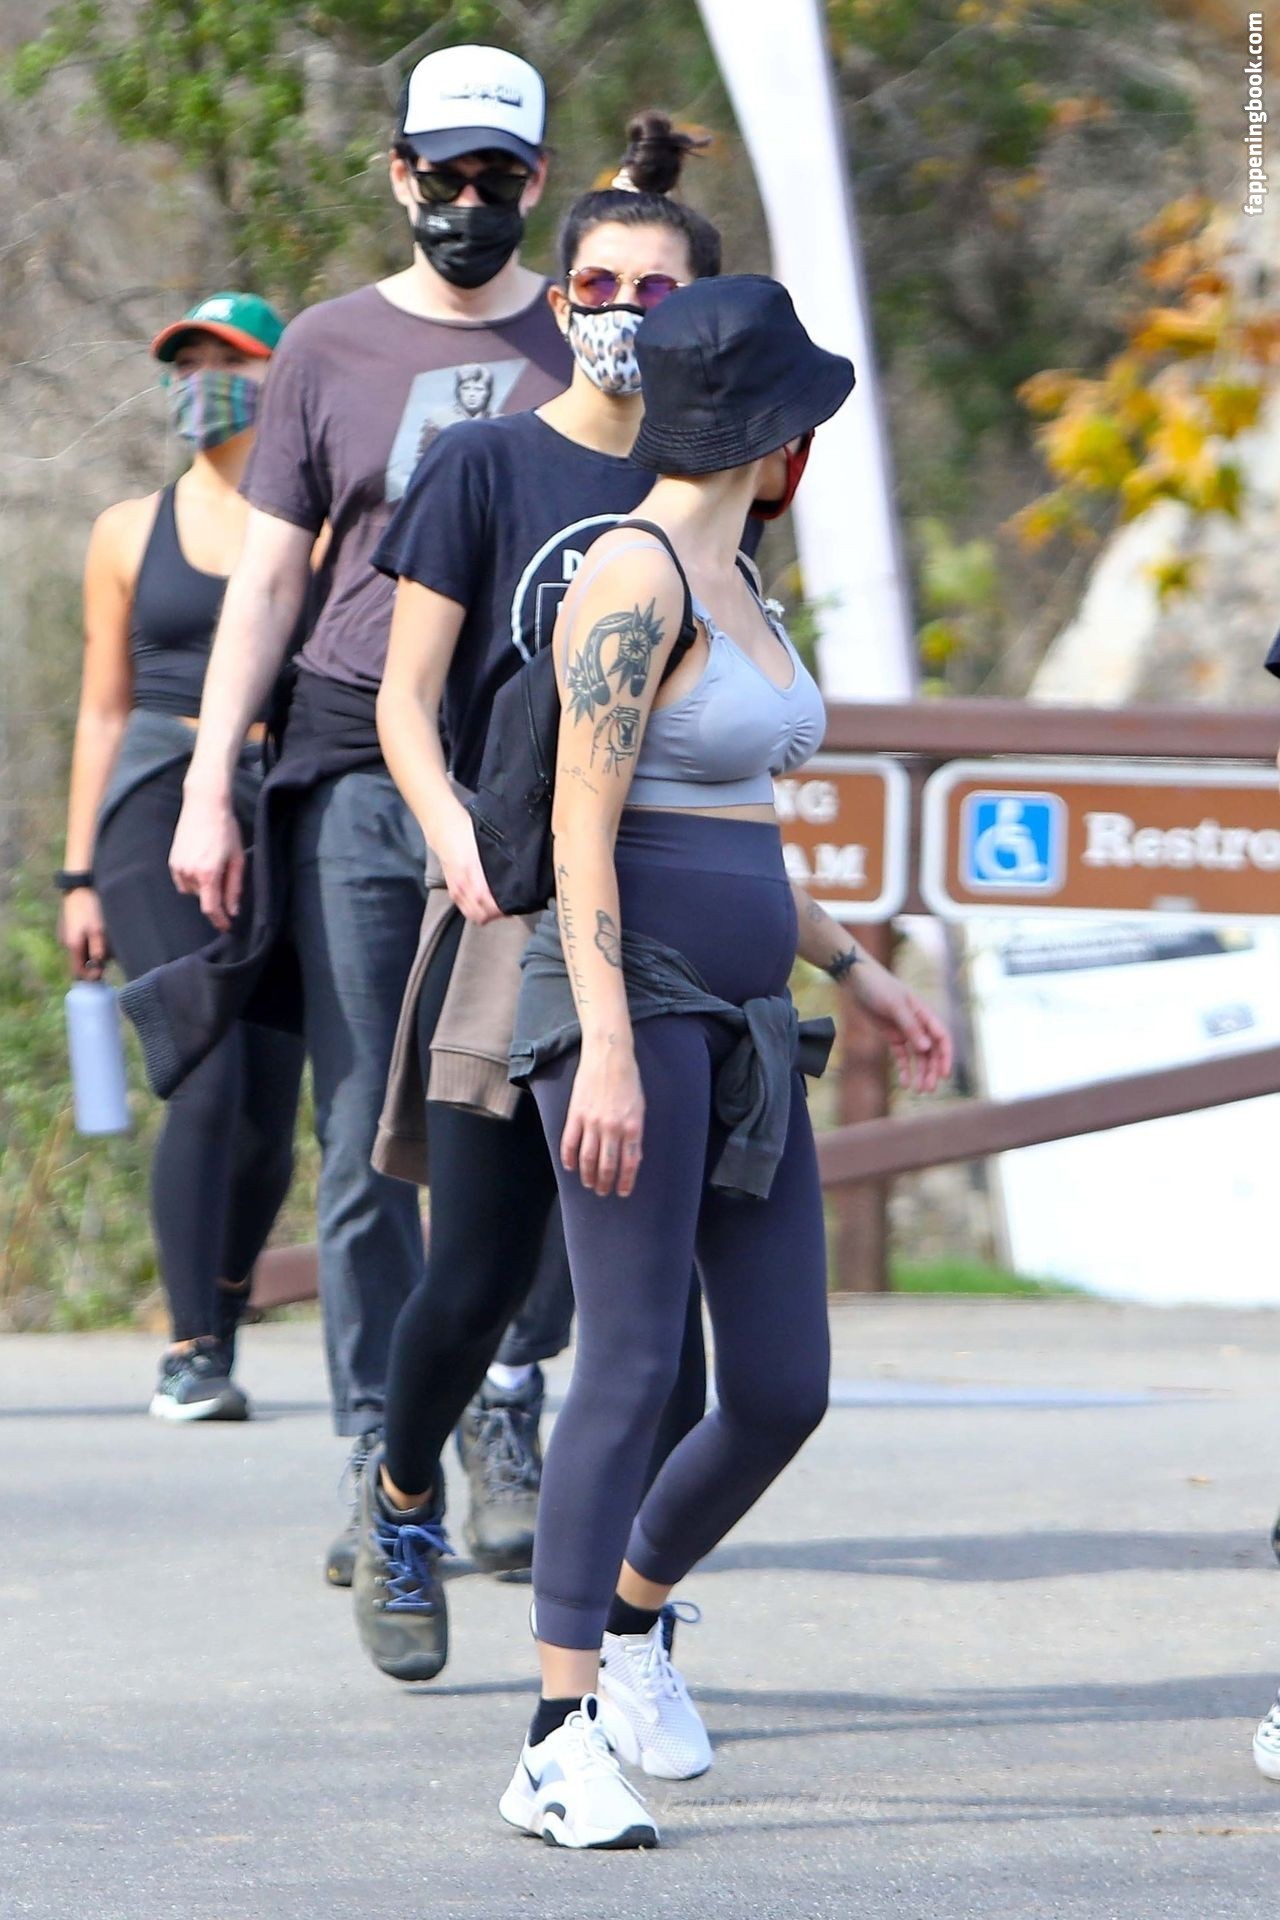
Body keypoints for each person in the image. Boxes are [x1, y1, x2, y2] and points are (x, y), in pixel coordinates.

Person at [497, 275, 954, 1850]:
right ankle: (553, 1736)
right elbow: (581, 826)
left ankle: (633, 1626)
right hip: (631, 1007)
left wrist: (858, 967)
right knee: (630, 1360)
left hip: (749, 1018)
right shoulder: (631, 578)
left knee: (779, 1385)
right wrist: (609, 1049)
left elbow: (738, 827)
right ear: (768, 431)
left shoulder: (740, 578)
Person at [153, 46, 573, 1582]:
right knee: (361, 1129)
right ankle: (379, 1451)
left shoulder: (582, 335)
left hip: (529, 764)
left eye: (496, 177)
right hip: (349, 755)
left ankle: (504, 1408)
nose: (467, 201)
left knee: (523, 1102)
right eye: (442, 174)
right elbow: (271, 577)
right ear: (398, 174)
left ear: (536, 181)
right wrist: (211, 782)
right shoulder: (328, 346)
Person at [353, 114, 723, 1683]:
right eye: (600, 284)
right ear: (561, 298)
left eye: (658, 289)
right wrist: (447, 828)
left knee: (654, 1327)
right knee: (480, 1275)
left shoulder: (714, 481)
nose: (625, 310)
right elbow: (404, 694)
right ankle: (400, 1497)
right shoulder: (486, 462)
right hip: (511, 904)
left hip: (659, 924)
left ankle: (620, 1627)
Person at [57, 293, 303, 1422]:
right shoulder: (126, 529)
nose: (202, 380)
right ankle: (191, 1348)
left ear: (280, 378)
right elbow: (102, 709)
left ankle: (225, 1296)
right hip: (153, 797)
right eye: (186, 361)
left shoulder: (317, 523)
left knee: (267, 1112)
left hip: (278, 798)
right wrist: (76, 877)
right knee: (202, 1069)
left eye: (228, 361)